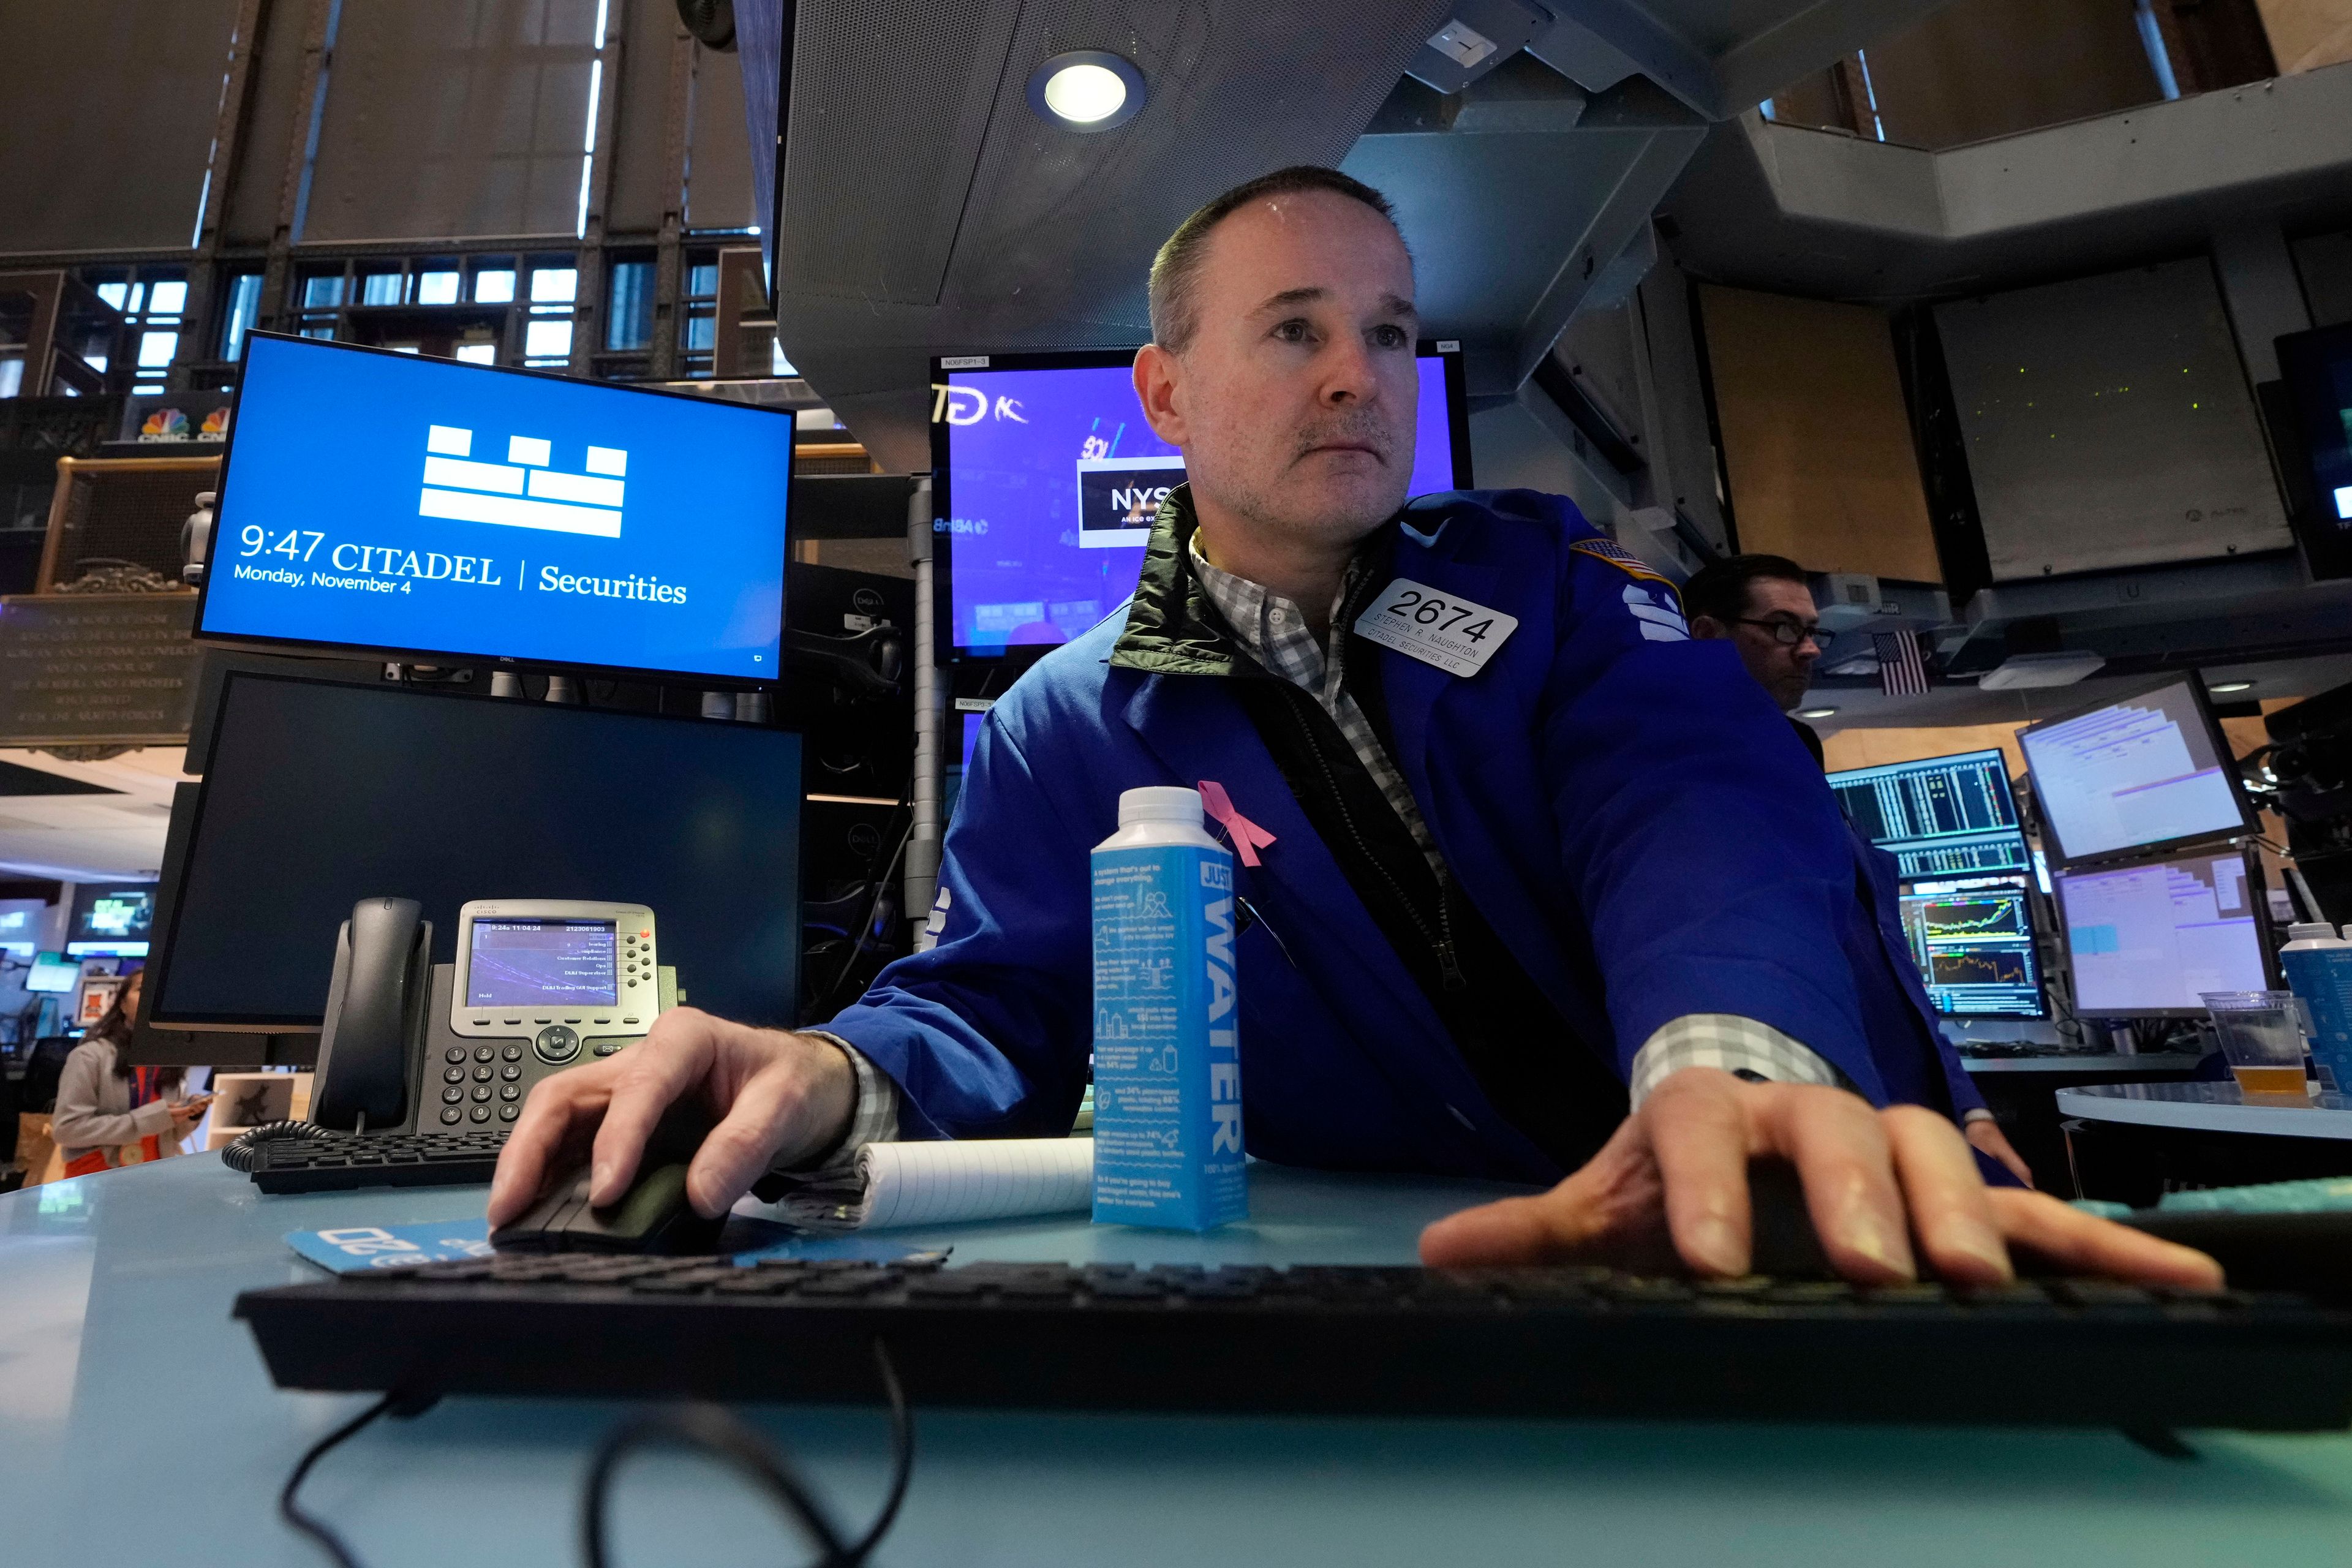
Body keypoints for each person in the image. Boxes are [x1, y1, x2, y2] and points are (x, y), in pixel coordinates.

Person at [494, 167, 2211, 1290]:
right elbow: (992, 1003)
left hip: (1793, 1213)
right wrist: (834, 1070)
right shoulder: (1064, 732)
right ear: (1164, 394)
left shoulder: (1546, 581)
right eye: (1297, 331)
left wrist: (1728, 1062)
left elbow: (1701, 810)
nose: (1359, 376)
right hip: (1427, 1277)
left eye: (1388, 332)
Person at [1683, 555, 2036, 1186]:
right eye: (1785, 627)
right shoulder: (1681, 777)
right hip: (1815, 1121)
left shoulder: (1798, 761)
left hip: (1909, 1112)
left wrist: (1967, 1106)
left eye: (1815, 630)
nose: (1812, 649)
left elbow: (1887, 960)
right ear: (1709, 635)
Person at [50, 971, 211, 1178]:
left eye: (161, 993)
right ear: (122, 1005)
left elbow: (169, 1137)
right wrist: (147, 1120)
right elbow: (67, 1131)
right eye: (143, 989)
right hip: (97, 1181)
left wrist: (190, 1116)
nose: (152, 997)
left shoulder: (172, 1061)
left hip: (156, 1179)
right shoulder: (89, 1057)